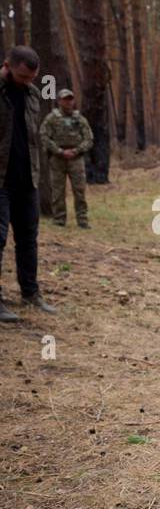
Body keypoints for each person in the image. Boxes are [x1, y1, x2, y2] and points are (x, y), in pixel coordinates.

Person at [0, 46, 54, 322]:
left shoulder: (33, 94)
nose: (27, 81)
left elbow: (33, 137)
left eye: (32, 77)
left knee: (28, 239)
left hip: (27, 178)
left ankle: (30, 293)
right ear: (7, 65)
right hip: (1, 181)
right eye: (22, 76)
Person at [40, 88, 94, 229]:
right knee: (58, 191)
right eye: (65, 99)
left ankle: (82, 220)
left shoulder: (79, 119)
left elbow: (88, 138)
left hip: (76, 159)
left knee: (79, 190)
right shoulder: (52, 118)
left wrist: (76, 150)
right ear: (59, 101)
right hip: (58, 159)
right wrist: (59, 151)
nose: (68, 102)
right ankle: (59, 220)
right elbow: (44, 137)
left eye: (70, 99)